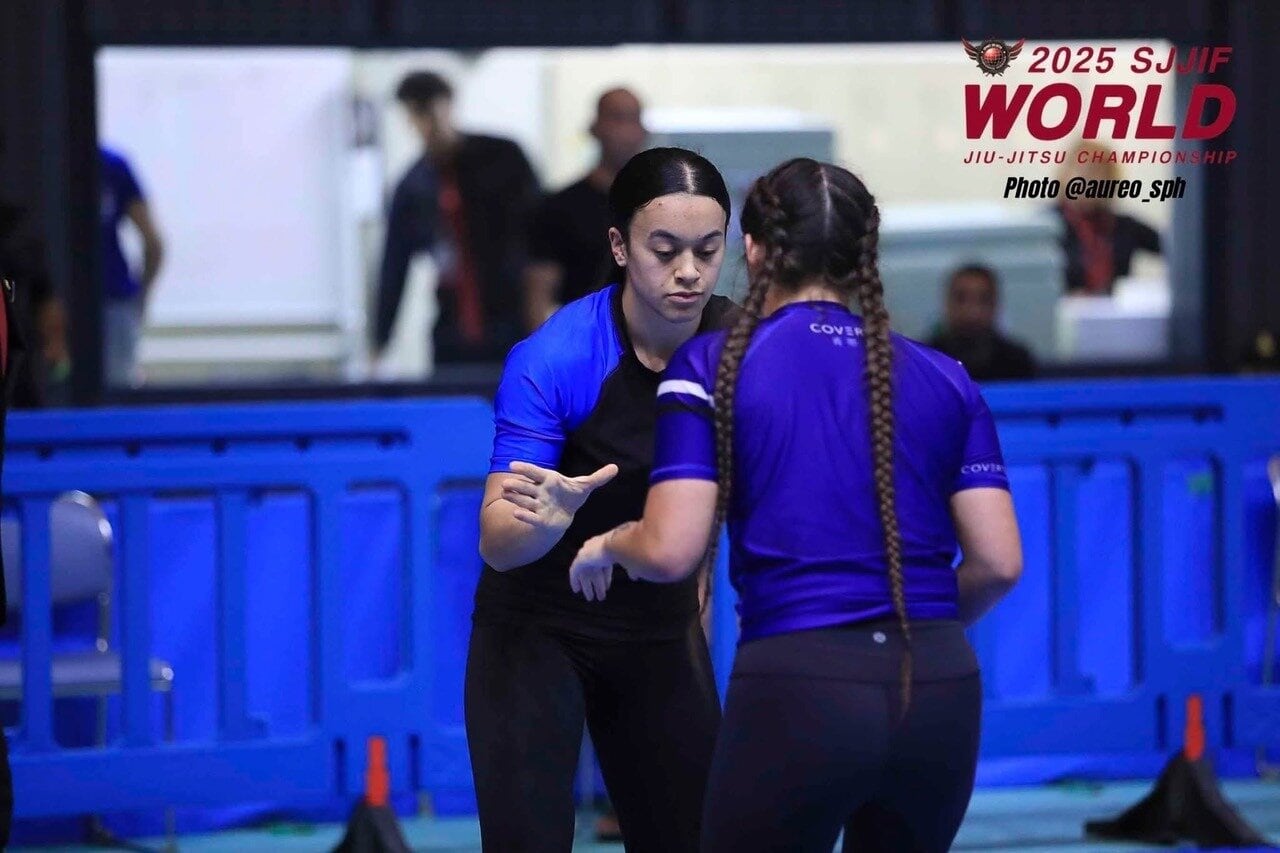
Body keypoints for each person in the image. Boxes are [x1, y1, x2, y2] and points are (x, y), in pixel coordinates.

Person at [570, 158, 1024, 852]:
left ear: (752, 249)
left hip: (801, 685)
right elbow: (997, 562)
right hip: (938, 685)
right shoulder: (948, 376)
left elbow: (669, 549)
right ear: (863, 254)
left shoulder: (710, 365)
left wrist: (606, 542)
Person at [468, 147, 739, 852]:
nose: (688, 271)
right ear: (619, 246)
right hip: (536, 629)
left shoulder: (741, 348)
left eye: (708, 251)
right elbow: (497, 539)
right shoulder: (558, 355)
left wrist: (697, 604)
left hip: (658, 628)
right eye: (664, 249)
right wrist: (544, 522)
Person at [373, 71, 540, 367]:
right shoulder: (414, 186)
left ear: (450, 105)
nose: (430, 122)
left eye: (433, 109)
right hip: (452, 327)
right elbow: (394, 265)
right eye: (419, 113)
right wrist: (380, 340)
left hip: (511, 317)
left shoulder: (502, 157)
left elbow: (542, 232)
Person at [523, 87, 648, 331]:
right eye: (616, 118)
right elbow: (538, 293)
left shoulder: (660, 204)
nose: (624, 132)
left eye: (632, 119)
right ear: (595, 128)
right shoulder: (559, 207)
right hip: (584, 344)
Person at [1057, 143, 1162, 295]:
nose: (1091, 180)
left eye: (1100, 172)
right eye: (1084, 170)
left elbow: (1174, 247)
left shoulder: (1124, 225)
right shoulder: (1046, 225)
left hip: (1115, 314)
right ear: (1066, 173)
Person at [99, 146, 165, 387]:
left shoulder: (111, 166)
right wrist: (140, 300)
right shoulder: (112, 166)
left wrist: (138, 299)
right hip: (114, 304)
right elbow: (154, 244)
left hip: (112, 302)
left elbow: (154, 244)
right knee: (117, 395)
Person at [927, 263, 1035, 381]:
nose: (972, 311)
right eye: (961, 299)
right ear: (946, 302)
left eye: (983, 300)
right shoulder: (923, 360)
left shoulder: (1018, 362)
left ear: (996, 304)